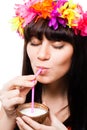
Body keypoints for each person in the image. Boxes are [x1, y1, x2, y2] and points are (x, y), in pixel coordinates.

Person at [0, 0, 87, 130]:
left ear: (77, 51)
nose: (42, 55)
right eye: (34, 43)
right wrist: (9, 116)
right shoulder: (17, 100)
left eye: (57, 46)